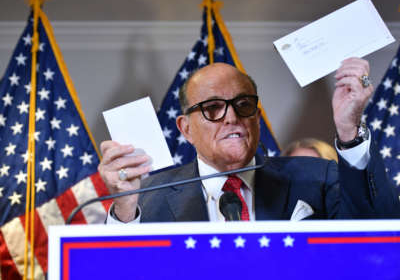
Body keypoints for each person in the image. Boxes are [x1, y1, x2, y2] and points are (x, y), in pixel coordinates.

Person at [99, 58, 400, 223]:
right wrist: (124, 211)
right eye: (212, 108)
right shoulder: (146, 198)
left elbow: (380, 232)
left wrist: (349, 130)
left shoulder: (317, 178)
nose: (232, 118)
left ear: (256, 116)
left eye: (243, 104)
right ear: (185, 129)